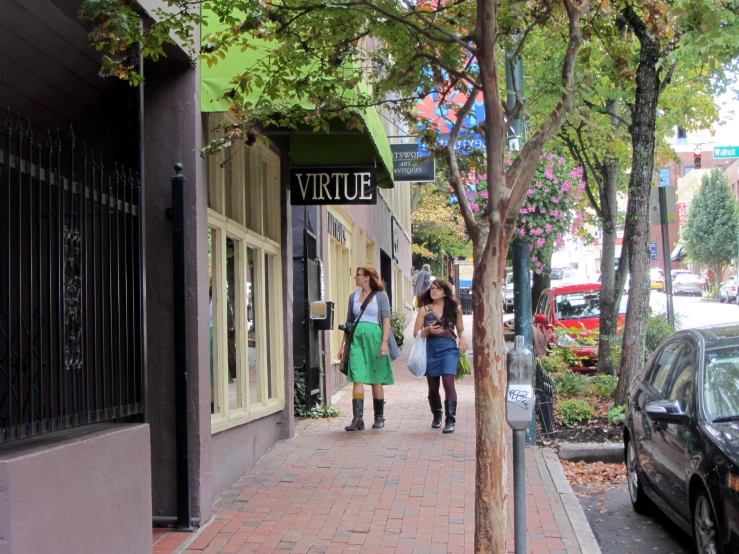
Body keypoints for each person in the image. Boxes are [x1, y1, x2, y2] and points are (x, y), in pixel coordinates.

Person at [338, 265, 395, 431]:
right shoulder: (353, 297)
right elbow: (349, 323)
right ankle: (358, 419)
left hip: (375, 340)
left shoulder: (381, 296)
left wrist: (384, 343)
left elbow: (386, 321)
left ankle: (379, 417)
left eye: (358, 275)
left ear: (367, 277)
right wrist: (343, 346)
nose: (355, 278)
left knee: (376, 378)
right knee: (357, 376)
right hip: (356, 339)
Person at [413, 279, 468, 433]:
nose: (433, 291)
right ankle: (437, 415)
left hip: (448, 348)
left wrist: (463, 338)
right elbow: (416, 332)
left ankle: (450, 420)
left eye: (437, 289)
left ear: (445, 292)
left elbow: (461, 329)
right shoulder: (424, 309)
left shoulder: (454, 309)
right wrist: (427, 330)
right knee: (433, 386)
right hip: (430, 348)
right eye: (431, 289)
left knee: (448, 382)